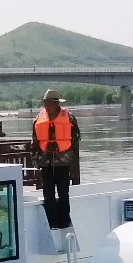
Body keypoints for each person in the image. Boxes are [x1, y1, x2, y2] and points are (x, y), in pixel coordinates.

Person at [32, 88, 80, 229]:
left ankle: (64, 222)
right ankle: (52, 222)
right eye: (45, 102)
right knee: (48, 193)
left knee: (63, 192)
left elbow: (76, 137)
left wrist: (68, 153)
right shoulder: (38, 118)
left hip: (62, 161)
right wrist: (35, 159)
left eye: (49, 102)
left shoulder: (69, 117)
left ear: (56, 103)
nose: (47, 104)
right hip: (45, 162)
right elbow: (34, 141)